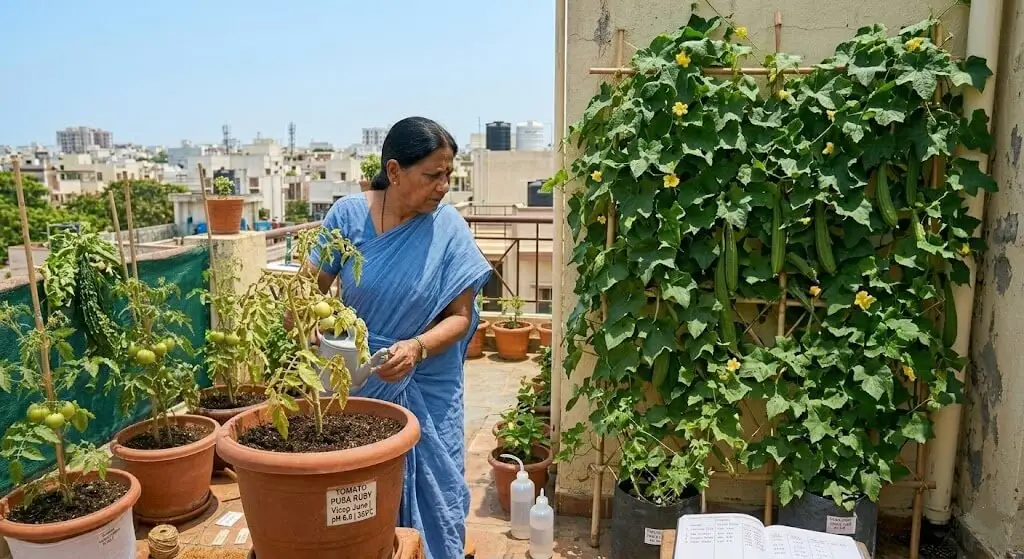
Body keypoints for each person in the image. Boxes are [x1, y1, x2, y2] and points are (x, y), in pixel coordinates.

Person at [307, 116, 492, 559]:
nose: (443, 186)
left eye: (448, 175)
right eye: (432, 175)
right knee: (359, 494)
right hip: (359, 379)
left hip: (427, 381)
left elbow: (461, 317)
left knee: (437, 490)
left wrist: (416, 347)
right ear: (394, 171)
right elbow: (307, 290)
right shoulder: (348, 216)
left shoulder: (449, 228)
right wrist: (310, 322)